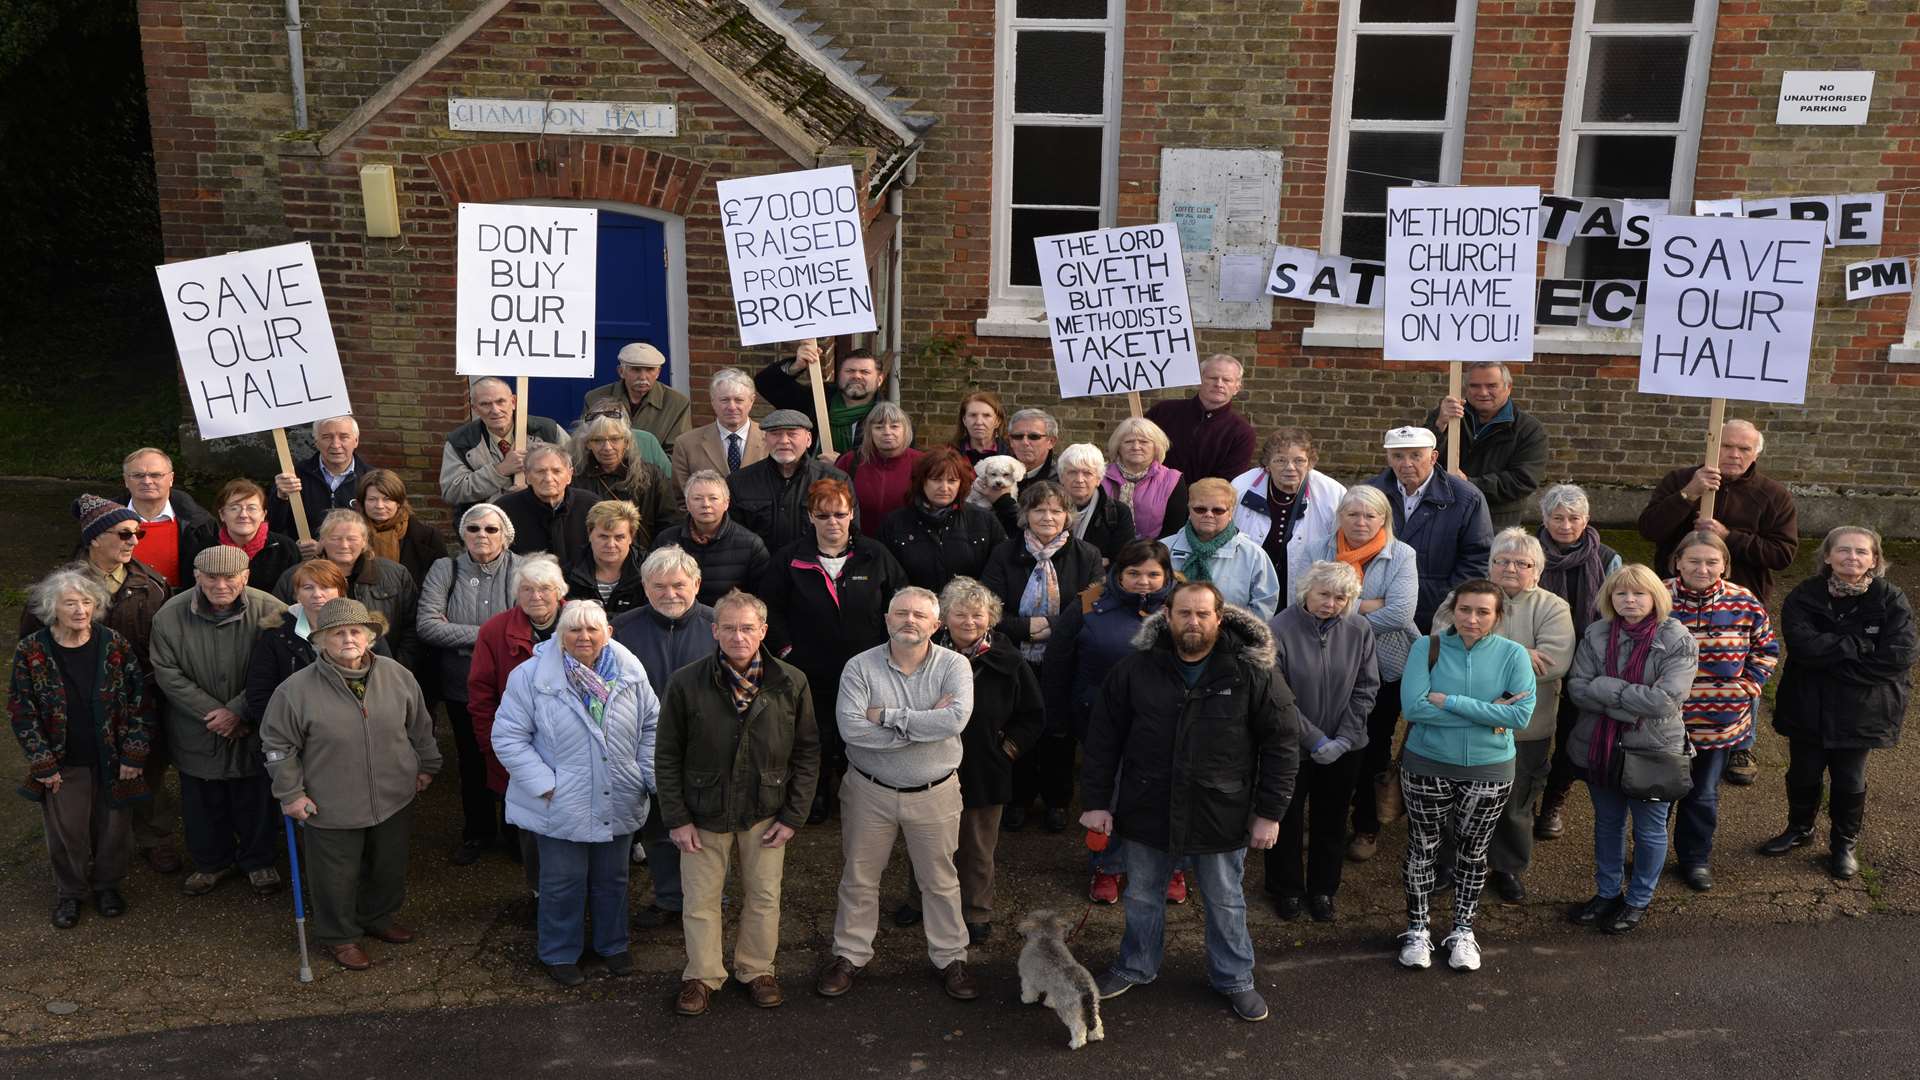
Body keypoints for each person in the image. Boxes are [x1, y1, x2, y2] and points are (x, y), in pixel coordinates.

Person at [1080, 581, 1298, 1022]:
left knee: (1225, 900)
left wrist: (1269, 813)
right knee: (1142, 896)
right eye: (1184, 613)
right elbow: (1104, 739)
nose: (1193, 622)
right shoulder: (1135, 669)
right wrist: (1097, 802)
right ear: (1168, 616)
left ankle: (1235, 978)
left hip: (1221, 810)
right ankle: (1136, 965)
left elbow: (1283, 744)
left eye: (1203, 614)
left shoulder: (1251, 672)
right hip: (1146, 806)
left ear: (1219, 618)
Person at [658, 590, 820, 1015]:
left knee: (765, 897)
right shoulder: (685, 681)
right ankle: (702, 975)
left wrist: (793, 815)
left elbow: (807, 752)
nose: (738, 636)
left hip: (765, 811)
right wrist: (676, 817)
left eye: (747, 627)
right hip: (702, 811)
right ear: (715, 631)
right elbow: (667, 755)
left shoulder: (791, 681)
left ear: (763, 630)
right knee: (700, 900)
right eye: (728, 628)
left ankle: (757, 969)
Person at [815, 588, 979, 1002]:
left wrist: (888, 718)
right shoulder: (860, 667)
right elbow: (851, 730)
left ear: (935, 625)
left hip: (935, 792)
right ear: (887, 619)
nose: (910, 620)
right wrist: (924, 728)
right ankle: (849, 954)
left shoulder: (954, 665)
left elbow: (955, 720)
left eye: (920, 615)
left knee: (940, 881)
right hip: (869, 790)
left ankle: (950, 958)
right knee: (859, 877)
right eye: (901, 613)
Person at [261, 599, 440, 971]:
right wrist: (291, 794)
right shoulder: (295, 690)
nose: (348, 639)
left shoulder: (397, 674)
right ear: (320, 641)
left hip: (393, 794)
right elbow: (278, 747)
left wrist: (427, 764)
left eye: (356, 631)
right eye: (337, 633)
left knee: (388, 866)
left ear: (370, 637)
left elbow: (420, 725)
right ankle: (340, 936)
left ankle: (379, 917)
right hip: (330, 802)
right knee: (335, 876)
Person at [493, 600, 658, 987]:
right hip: (559, 800)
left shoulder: (631, 672)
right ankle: (559, 951)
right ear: (559, 635)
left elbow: (653, 725)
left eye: (592, 629)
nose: (583, 636)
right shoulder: (530, 676)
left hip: (618, 791)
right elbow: (508, 737)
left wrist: (643, 774)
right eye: (574, 630)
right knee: (562, 881)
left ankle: (612, 945)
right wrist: (545, 785)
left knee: (613, 879)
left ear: (608, 633)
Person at [1636, 419, 1797, 786]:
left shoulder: (1773, 495)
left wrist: (1731, 538)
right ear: (1711, 445)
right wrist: (1688, 495)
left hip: (1738, 605)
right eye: (1727, 446)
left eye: (1744, 449)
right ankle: (1670, 726)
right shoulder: (1681, 480)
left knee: (1733, 669)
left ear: (1756, 453)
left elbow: (1783, 553)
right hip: (1678, 599)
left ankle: (1740, 740)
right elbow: (1648, 529)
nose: (1734, 455)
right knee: (1674, 664)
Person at [26, 496, 176, 873]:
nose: (134, 541)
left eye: (138, 533)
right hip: (78, 701)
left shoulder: (152, 584)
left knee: (148, 769)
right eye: (124, 533)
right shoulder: (59, 588)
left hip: (140, 697)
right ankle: (91, 850)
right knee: (86, 777)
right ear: (94, 539)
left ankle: (152, 838)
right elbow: (31, 648)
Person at [1395, 579, 1536, 972]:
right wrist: (1488, 715)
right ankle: (1417, 929)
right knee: (1422, 847)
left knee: (1474, 852)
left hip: (1489, 770)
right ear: (1452, 611)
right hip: (1427, 763)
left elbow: (1519, 716)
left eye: (1483, 612)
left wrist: (1453, 702)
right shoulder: (1428, 647)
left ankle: (1463, 930)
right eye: (1465, 610)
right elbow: (1414, 709)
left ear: (1497, 615)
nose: (1472, 619)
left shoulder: (1513, 655)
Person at [893, 577, 1044, 944]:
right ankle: (920, 899)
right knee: (926, 842)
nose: (969, 622)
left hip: (984, 769)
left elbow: (1033, 715)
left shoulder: (1008, 661)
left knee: (977, 848)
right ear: (943, 617)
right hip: (929, 765)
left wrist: (1005, 750)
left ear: (990, 618)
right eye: (960, 613)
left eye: (978, 615)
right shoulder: (921, 655)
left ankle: (976, 911)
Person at [1761, 526, 1916, 881]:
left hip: (1863, 710)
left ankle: (1844, 843)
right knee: (1803, 772)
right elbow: (1802, 647)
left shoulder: (1891, 599)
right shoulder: (1805, 595)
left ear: (1875, 560)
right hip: (1807, 705)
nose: (1852, 557)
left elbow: (1898, 656)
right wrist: (1858, 646)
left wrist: (1833, 661)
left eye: (1862, 552)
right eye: (1844, 550)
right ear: (1827, 556)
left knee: (1849, 777)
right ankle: (1800, 828)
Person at [1430, 531, 1575, 904]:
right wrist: (1517, 655)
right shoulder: (1461, 597)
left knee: (1515, 802)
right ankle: (1447, 863)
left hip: (1524, 726)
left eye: (1521, 563)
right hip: (1461, 722)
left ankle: (1507, 865)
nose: (1510, 568)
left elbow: (1553, 662)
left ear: (1537, 571)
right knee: (1453, 796)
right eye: (1501, 561)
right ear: (1490, 564)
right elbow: (1440, 647)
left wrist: (1483, 658)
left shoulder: (1553, 607)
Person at [10, 567, 152, 928]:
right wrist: (42, 763)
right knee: (67, 831)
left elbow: (141, 700)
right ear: (51, 607)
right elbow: (22, 710)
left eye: (87, 602)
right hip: (62, 760)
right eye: (70, 603)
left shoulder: (114, 645)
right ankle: (70, 894)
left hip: (114, 757)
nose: (80, 610)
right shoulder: (32, 650)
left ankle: (107, 887)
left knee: (114, 828)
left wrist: (134, 752)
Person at [762, 478, 909, 824]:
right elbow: (770, 608)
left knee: (861, 731)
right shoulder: (790, 559)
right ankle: (816, 794)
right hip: (809, 668)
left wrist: (891, 650)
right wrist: (786, 651)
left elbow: (899, 601)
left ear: (852, 514)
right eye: (823, 515)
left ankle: (857, 796)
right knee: (815, 734)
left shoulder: (875, 555)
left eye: (840, 514)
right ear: (810, 516)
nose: (833, 523)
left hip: (867, 667)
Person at [148, 546, 286, 897]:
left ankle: (259, 861)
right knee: (202, 803)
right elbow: (167, 672)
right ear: (197, 576)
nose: (221, 585)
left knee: (255, 798)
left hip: (252, 726)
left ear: (245, 577)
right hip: (196, 727)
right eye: (212, 577)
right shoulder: (169, 616)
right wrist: (214, 713)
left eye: (230, 577)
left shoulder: (273, 611)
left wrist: (238, 711)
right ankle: (211, 864)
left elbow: (279, 669)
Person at [1565, 565, 1696, 935]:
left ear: (1656, 596)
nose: (1630, 600)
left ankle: (1638, 899)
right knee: (1607, 823)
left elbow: (1665, 702)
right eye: (1621, 593)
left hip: (1653, 750)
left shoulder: (1677, 638)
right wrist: (1627, 700)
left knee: (1650, 829)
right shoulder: (1596, 632)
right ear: (1610, 598)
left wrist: (1607, 691)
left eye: (1639, 593)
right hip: (1600, 746)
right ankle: (1607, 892)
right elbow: (1577, 688)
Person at [1043, 538, 1175, 903]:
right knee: (1108, 795)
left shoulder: (1183, 606)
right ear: (1118, 572)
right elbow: (1058, 661)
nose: (1144, 581)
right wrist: (1058, 715)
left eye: (1153, 574)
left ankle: (1171, 866)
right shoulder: (1089, 603)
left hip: (1164, 723)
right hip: (1101, 720)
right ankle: (1108, 865)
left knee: (1164, 794)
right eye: (1134, 573)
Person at [981, 481, 1102, 831]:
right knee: (1016, 729)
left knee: (1058, 733)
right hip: (1014, 660)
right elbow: (989, 612)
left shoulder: (1088, 555)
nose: (1047, 516)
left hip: (1065, 660)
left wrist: (1049, 626)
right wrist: (1027, 629)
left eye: (1056, 510)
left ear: (1068, 516)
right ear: (1025, 515)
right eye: (1038, 509)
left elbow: (1092, 607)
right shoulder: (1004, 553)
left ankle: (1057, 802)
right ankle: (1017, 799)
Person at [1264, 561, 1379, 923]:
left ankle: (1323, 890)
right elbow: (1276, 694)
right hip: (1291, 745)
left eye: (1341, 597)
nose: (1331, 603)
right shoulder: (1279, 627)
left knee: (1332, 819)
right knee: (1287, 819)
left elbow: (1367, 686)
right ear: (1306, 593)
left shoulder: (1360, 629)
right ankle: (1286, 889)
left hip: (1347, 746)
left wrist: (1344, 738)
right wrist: (1314, 739)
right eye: (1324, 594)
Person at [611, 545, 717, 926]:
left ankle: (705, 900)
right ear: (644, 585)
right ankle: (670, 897)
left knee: (707, 832)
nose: (670, 594)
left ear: (697, 584)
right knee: (659, 828)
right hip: (648, 747)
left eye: (678, 585)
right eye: (659, 587)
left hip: (708, 747)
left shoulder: (719, 625)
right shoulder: (621, 630)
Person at [1666, 530, 1778, 891]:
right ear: (1677, 562)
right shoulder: (1656, 596)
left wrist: (1747, 686)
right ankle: (1650, 855)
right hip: (1664, 722)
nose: (1702, 568)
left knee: (1703, 796)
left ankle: (1695, 859)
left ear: (1725, 566)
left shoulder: (1744, 601)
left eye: (1712, 561)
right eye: (1694, 560)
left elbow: (1766, 649)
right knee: (1658, 793)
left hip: (1720, 723)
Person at [417, 503, 525, 866]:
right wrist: (493, 634)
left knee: (516, 758)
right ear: (463, 534)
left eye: (491, 529)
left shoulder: (524, 569)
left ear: (505, 535)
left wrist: (462, 635)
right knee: (471, 761)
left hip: (516, 687)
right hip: (462, 685)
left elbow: (530, 626)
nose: (482, 535)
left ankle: (516, 831)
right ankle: (477, 832)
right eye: (474, 528)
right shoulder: (445, 569)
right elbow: (428, 625)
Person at [1321, 486, 1420, 864]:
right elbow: (1306, 599)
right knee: (1329, 739)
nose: (1361, 523)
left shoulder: (1402, 554)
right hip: (1329, 663)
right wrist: (1368, 604)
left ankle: (1366, 825)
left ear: (1384, 520)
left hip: (1387, 665)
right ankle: (1329, 817)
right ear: (1340, 517)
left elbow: (1400, 613)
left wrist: (1342, 610)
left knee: (1372, 745)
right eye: (1353, 515)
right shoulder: (1321, 548)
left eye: (1370, 516)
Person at [467, 554, 568, 880]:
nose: (535, 596)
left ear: (560, 592)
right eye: (526, 589)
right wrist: (490, 745)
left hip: (569, 743)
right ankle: (538, 890)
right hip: (519, 742)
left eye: (544, 589)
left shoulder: (580, 623)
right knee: (527, 825)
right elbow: (481, 693)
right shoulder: (494, 630)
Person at [1534, 483, 1624, 839]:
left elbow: (1619, 611)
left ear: (1587, 519)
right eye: (1558, 518)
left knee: (1571, 734)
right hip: (1539, 655)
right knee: (1530, 734)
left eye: (1574, 518)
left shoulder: (1607, 558)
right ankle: (1522, 798)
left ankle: (1554, 800)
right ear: (1545, 519)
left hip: (1587, 659)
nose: (1566, 525)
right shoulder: (1528, 552)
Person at [1364, 425, 1493, 633]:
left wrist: (1447, 600)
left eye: (1416, 455)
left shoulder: (1466, 498)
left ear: (1433, 457)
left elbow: (1478, 558)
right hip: (1378, 608)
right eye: (1397, 456)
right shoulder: (1369, 493)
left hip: (1438, 611)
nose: (1406, 464)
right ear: (1388, 458)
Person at [246, 559, 395, 734]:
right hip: (297, 732)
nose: (317, 594)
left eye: (325, 587)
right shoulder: (277, 633)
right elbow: (260, 691)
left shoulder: (364, 627)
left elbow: (386, 683)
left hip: (360, 731)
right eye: (308, 587)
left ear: (341, 591)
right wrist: (284, 731)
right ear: (297, 593)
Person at [272, 509, 419, 669]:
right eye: (335, 538)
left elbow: (411, 628)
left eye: (352, 539)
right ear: (321, 541)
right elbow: (279, 625)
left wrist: (395, 668)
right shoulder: (294, 577)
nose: (344, 545)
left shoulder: (396, 575)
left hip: (383, 670)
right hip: (311, 673)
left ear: (364, 541)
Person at [1421, 362, 1549, 529]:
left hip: (1495, 521)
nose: (1482, 393)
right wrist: (1439, 425)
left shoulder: (1528, 430)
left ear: (1508, 387)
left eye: (1491, 386)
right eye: (1475, 386)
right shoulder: (1447, 417)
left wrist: (1470, 484)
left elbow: (1523, 480)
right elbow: (1420, 458)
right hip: (1443, 513)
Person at [1229, 428, 1344, 605]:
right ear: (1267, 464)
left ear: (1310, 463)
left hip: (1307, 584)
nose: (1290, 468)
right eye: (1280, 460)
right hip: (1251, 580)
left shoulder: (1331, 493)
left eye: (1299, 461)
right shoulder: (1242, 486)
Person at [877, 447, 1006, 593]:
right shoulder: (895, 523)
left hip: (968, 611)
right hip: (914, 612)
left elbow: (999, 574)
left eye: (952, 480)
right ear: (921, 481)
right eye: (936, 479)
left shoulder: (983, 520)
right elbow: (886, 578)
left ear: (961, 483)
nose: (944, 488)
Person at [440, 377, 568, 519]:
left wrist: (533, 492)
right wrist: (500, 470)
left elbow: (576, 474)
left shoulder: (548, 431)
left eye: (500, 401)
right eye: (485, 404)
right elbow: (451, 491)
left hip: (545, 517)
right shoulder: (461, 441)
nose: (495, 410)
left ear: (513, 402)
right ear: (475, 409)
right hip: (488, 525)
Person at [727, 409, 851, 553]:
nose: (784, 441)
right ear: (765, 439)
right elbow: (733, 539)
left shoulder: (835, 480)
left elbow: (850, 534)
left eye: (792, 434)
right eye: (775, 434)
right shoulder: (740, 482)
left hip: (815, 570)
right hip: (760, 571)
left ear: (809, 439)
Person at [1162, 477, 1281, 621]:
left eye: (1218, 510)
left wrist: (1231, 635)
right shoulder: (1164, 549)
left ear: (1231, 513)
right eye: (1200, 509)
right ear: (1189, 509)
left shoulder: (1253, 555)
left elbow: (1264, 606)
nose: (1208, 514)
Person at [652, 471, 771, 606]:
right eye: (697, 498)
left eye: (713, 498)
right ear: (687, 504)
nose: (706, 504)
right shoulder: (666, 541)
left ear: (726, 503)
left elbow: (760, 600)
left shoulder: (751, 545)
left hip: (728, 623)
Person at [1143, 354, 1257, 483]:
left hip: (1202, 502)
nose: (1219, 384)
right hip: (1151, 495)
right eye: (1213, 378)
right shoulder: (1163, 411)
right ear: (1199, 380)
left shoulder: (1242, 433)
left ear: (1237, 388)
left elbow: (1226, 481)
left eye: (1227, 380)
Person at [757, 339, 886, 450]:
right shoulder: (818, 399)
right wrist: (796, 366)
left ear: (879, 380)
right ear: (839, 375)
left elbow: (887, 465)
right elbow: (766, 385)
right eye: (850, 371)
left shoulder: (886, 418)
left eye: (865, 372)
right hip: (810, 477)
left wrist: (842, 463)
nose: (856, 376)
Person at [569, 414, 676, 547]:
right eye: (598, 440)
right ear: (588, 444)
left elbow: (669, 523)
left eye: (615, 439)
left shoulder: (651, 475)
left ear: (627, 442)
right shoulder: (574, 478)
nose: (607, 447)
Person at [270, 415, 371, 549]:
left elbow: (380, 529)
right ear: (316, 442)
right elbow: (275, 527)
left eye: (344, 437)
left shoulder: (371, 479)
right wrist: (280, 497)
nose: (335, 444)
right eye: (327, 437)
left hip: (355, 562)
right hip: (306, 564)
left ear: (356, 441)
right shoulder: (293, 476)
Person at [182, 479, 300, 593]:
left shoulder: (286, 548)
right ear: (222, 514)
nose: (243, 515)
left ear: (263, 515)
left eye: (251, 508)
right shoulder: (203, 551)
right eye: (235, 508)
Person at [498, 443, 599, 574]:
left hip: (582, 588)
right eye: (540, 471)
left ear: (569, 475)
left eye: (556, 471)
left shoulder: (591, 505)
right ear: (527, 476)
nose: (548, 479)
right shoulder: (505, 510)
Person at [119, 447, 213, 588]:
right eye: (138, 475)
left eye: (156, 475)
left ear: (171, 479)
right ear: (126, 480)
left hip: (181, 605)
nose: (147, 481)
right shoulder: (102, 521)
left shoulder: (200, 523)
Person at [581, 341, 693, 454]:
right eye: (636, 369)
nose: (643, 377)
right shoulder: (595, 398)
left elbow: (677, 452)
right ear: (621, 372)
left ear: (658, 372)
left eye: (650, 370)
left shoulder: (677, 403)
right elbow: (586, 443)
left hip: (654, 469)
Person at [836, 401, 925, 538]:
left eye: (894, 426)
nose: (887, 432)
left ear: (905, 430)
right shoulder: (850, 462)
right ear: (869, 432)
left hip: (907, 544)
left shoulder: (922, 462)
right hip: (859, 542)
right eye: (879, 427)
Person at [671, 368, 765, 495]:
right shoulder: (686, 444)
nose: (732, 407)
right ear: (712, 401)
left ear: (752, 401)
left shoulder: (770, 440)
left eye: (739, 400)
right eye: (724, 400)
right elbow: (681, 498)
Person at [1103, 416, 1188, 545]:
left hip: (1153, 554)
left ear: (1156, 447)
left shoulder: (1172, 479)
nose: (1136, 447)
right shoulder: (1099, 476)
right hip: (1104, 555)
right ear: (1118, 447)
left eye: (1144, 442)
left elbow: (1174, 528)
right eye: (1128, 442)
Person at [357, 469, 446, 589]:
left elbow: (442, 582)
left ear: (399, 502)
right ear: (363, 502)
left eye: (387, 499)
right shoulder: (352, 535)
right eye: (372, 499)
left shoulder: (428, 537)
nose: (379, 505)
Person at [565, 500, 649, 616]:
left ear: (631, 537)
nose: (611, 544)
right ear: (589, 534)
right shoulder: (569, 572)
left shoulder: (650, 572)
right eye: (603, 537)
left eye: (619, 537)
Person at [1057, 442, 1135, 561]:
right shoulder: (1045, 510)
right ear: (1062, 477)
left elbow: (1122, 561)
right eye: (1072, 472)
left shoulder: (1118, 513)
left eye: (1087, 473)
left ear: (1099, 479)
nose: (1079, 480)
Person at [950, 390, 1008, 465]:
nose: (979, 422)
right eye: (973, 415)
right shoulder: (949, 454)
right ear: (964, 420)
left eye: (986, 415)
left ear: (997, 422)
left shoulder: (1011, 453)